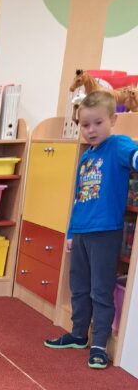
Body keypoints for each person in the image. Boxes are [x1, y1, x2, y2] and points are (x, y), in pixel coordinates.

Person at [44, 90, 138, 369]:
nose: (91, 130)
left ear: (113, 120)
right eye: (85, 125)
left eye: (98, 123)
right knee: (79, 286)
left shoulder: (118, 145)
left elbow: (134, 156)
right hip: (82, 232)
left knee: (101, 289)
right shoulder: (87, 157)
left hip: (105, 232)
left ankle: (99, 344)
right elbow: (78, 199)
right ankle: (78, 333)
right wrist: (71, 233)